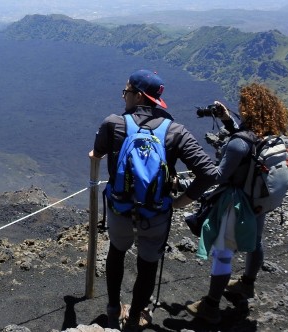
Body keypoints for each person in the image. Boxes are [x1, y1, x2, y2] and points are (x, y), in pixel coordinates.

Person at [90, 69, 219, 330]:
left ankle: (113, 310)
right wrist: (180, 202)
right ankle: (137, 316)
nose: (124, 96)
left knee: (116, 252)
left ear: (138, 96)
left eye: (126, 91)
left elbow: (97, 153)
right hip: (157, 213)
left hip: (120, 209)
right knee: (148, 265)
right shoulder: (175, 130)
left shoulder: (113, 123)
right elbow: (209, 173)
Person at [185, 82, 288, 324]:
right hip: (259, 200)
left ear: (249, 108)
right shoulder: (269, 134)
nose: (240, 108)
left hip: (236, 203)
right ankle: (247, 284)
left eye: (243, 104)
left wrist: (184, 188)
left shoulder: (238, 143)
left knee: (223, 252)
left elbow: (217, 176)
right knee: (254, 241)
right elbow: (246, 141)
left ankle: (210, 305)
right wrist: (226, 120)